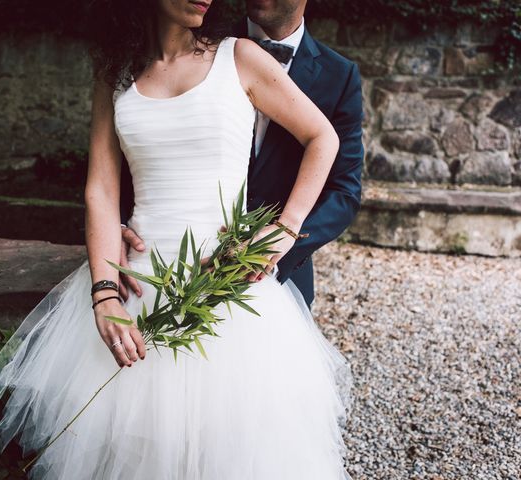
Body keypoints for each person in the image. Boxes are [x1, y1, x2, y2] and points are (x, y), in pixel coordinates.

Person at [0, 1, 353, 478]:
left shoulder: (239, 56)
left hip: (224, 287)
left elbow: (323, 138)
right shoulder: (114, 74)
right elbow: (101, 188)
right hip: (138, 284)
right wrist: (103, 293)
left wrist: (282, 230)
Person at [118, 0, 365, 309]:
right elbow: (138, 151)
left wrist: (283, 237)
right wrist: (115, 228)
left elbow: (344, 191)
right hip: (147, 267)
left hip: (275, 278)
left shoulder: (339, 76)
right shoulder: (199, 39)